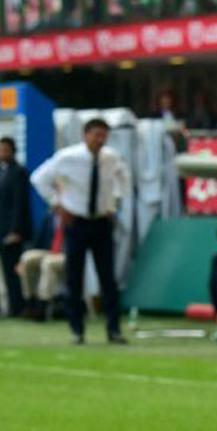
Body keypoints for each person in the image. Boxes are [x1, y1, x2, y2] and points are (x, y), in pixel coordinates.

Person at [30, 118, 131, 345]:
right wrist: (58, 204)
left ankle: (113, 329)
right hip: (76, 221)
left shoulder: (111, 158)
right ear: (85, 135)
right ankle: (77, 329)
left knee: (108, 278)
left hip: (101, 221)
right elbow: (38, 178)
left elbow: (124, 178)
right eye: (96, 135)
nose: (100, 140)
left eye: (104, 135)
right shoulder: (68, 157)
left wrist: (114, 203)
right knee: (74, 277)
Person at [0, 136, 32, 316]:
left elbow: (19, 205)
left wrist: (15, 230)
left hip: (12, 231)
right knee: (4, 271)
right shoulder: (2, 172)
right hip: (1, 228)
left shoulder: (18, 172)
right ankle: (8, 305)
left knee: (14, 270)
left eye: (5, 149)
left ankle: (17, 307)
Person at [15, 212, 64, 321]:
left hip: (66, 254)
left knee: (48, 262)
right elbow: (38, 241)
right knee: (27, 257)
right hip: (49, 252)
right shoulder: (49, 217)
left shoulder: (73, 219)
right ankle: (31, 301)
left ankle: (43, 305)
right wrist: (22, 261)